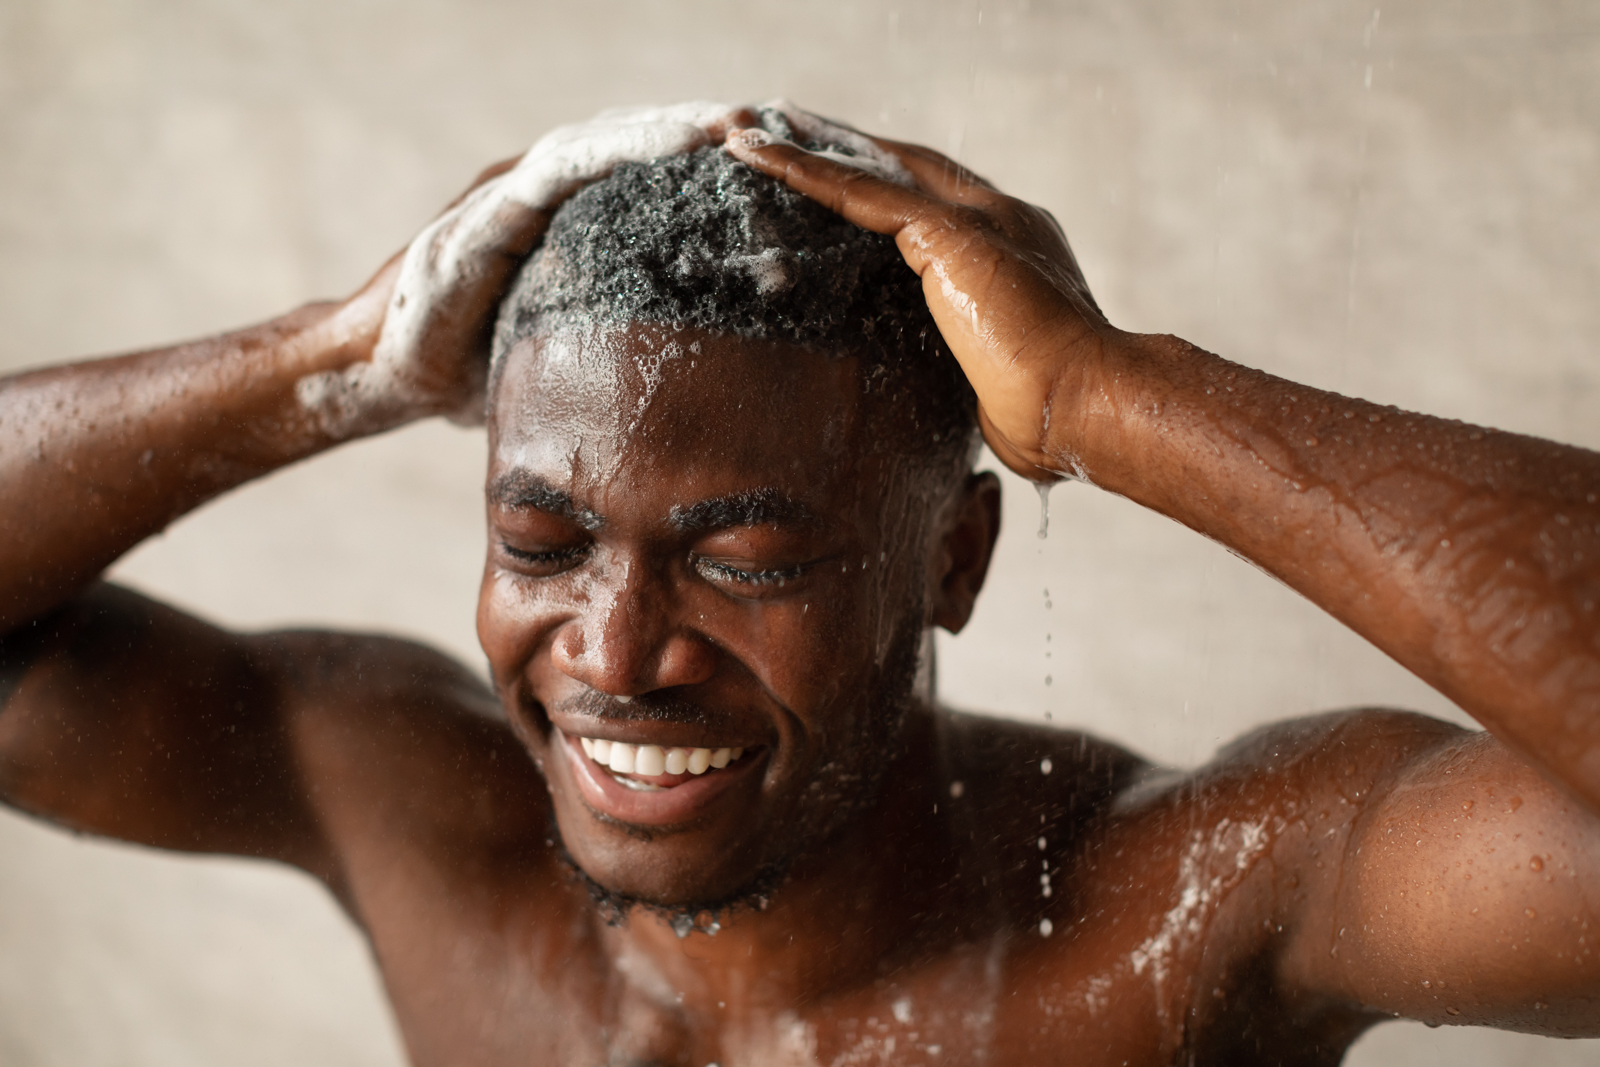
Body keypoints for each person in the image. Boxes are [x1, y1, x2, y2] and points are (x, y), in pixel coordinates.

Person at [0, 100, 1596, 1066]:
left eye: (744, 562)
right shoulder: (415, 807)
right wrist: (344, 354)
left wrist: (1110, 397)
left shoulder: (1196, 909)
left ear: (953, 563)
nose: (614, 653)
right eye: (541, 546)